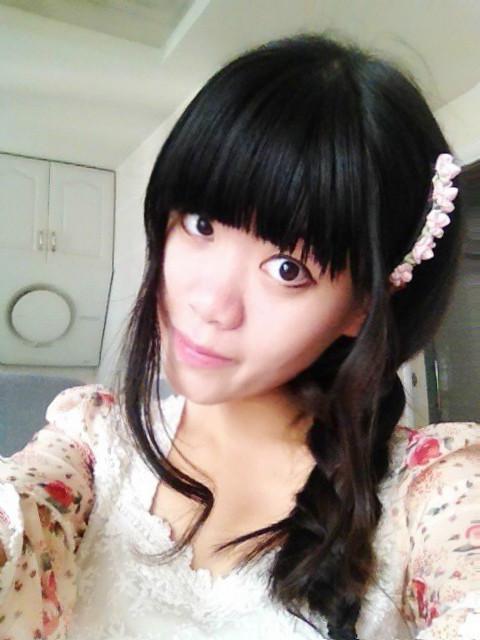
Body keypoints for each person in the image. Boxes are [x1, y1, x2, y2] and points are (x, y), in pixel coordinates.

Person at [0, 31, 478, 640]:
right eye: (201, 224)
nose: (209, 304)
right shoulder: (92, 444)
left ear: (363, 307)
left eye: (288, 269)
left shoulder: (433, 492)